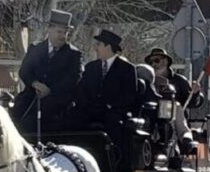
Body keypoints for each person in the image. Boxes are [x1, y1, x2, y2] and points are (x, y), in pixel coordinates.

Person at [11, 9, 82, 139]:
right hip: (31, 98)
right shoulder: (35, 48)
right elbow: (24, 71)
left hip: (57, 103)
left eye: (65, 32)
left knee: (38, 121)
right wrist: (35, 83)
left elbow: (74, 79)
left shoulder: (74, 54)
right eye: (59, 32)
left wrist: (50, 90)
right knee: (13, 118)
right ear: (49, 29)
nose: (62, 36)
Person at [74, 30, 138, 139]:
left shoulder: (127, 69)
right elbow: (81, 90)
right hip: (89, 112)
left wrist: (110, 106)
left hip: (113, 114)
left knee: (115, 128)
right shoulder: (91, 67)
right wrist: (87, 106)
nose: (96, 49)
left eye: (99, 45)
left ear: (108, 47)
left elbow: (129, 96)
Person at [136, 63, 196, 155]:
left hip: (166, 154)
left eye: (149, 84)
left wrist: (187, 141)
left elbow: (183, 129)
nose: (145, 88)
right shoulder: (125, 104)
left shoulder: (170, 105)